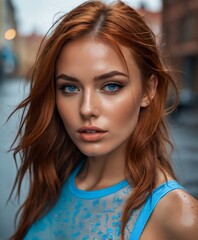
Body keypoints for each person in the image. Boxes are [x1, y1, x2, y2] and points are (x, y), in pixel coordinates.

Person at [10, 1, 198, 239]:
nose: (87, 108)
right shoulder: (54, 179)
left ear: (148, 90)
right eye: (69, 87)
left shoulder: (180, 217)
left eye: (111, 86)